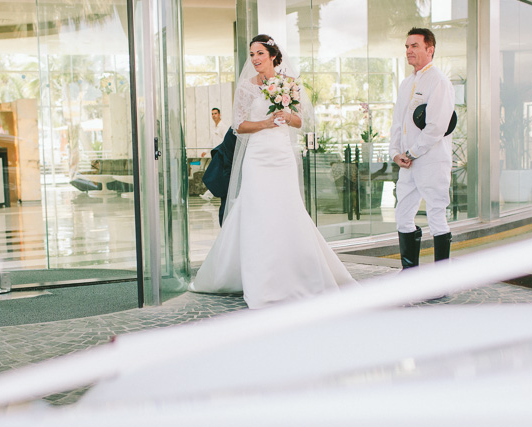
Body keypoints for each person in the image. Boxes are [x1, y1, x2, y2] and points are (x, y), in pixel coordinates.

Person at [190, 34, 355, 309]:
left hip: (281, 156)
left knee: (287, 210)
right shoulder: (245, 88)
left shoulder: (290, 84)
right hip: (257, 156)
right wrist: (265, 123)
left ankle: (297, 275)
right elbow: (238, 126)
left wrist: (287, 117)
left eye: (260, 54)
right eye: (252, 54)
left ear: (273, 56)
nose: (255, 59)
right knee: (257, 212)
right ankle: (260, 281)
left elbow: (300, 120)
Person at [390, 27, 455, 268]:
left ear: (430, 49)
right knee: (403, 215)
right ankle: (410, 273)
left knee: (436, 215)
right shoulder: (407, 83)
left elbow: (437, 126)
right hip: (406, 163)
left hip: (431, 160)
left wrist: (412, 152)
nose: (408, 51)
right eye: (406, 46)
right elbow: (398, 122)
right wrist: (395, 153)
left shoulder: (439, 81)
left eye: (414, 46)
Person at [200, 108, 229, 201]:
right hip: (216, 154)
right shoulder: (214, 128)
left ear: (219, 114)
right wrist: (205, 151)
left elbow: (226, 140)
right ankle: (209, 194)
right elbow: (211, 142)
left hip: (221, 154)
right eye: (212, 114)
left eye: (215, 113)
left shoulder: (223, 127)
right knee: (216, 174)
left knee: (215, 174)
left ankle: (209, 194)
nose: (214, 115)